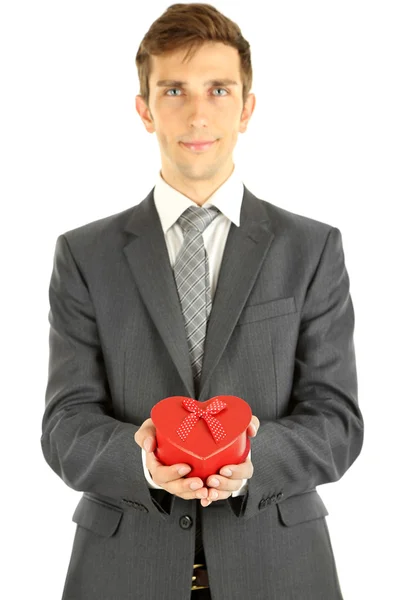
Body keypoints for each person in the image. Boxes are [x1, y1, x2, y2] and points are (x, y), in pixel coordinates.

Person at [41, 3, 364, 599]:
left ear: (247, 108)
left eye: (219, 89)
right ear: (144, 109)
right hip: (122, 575)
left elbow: (338, 424)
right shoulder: (84, 254)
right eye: (173, 90)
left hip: (281, 571)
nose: (197, 112)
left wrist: (250, 459)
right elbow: (64, 426)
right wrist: (142, 460)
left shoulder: (313, 248)